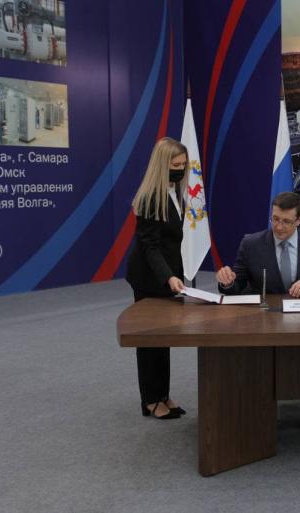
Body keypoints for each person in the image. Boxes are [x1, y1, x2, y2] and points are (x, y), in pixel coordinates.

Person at [216, 192, 300, 434]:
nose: (279, 227)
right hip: (264, 319)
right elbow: (237, 285)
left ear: (299, 220)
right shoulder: (251, 243)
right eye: (274, 219)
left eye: (286, 221)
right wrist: (227, 281)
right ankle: (255, 405)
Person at [125, 137, 188, 420]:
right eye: (176, 165)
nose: (180, 170)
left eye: (183, 165)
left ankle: (163, 394)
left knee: (164, 338)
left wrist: (176, 276)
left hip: (168, 276)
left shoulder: (177, 192)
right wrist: (168, 277)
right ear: (163, 165)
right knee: (149, 340)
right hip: (148, 278)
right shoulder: (151, 198)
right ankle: (150, 400)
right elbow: (150, 246)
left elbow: (171, 243)